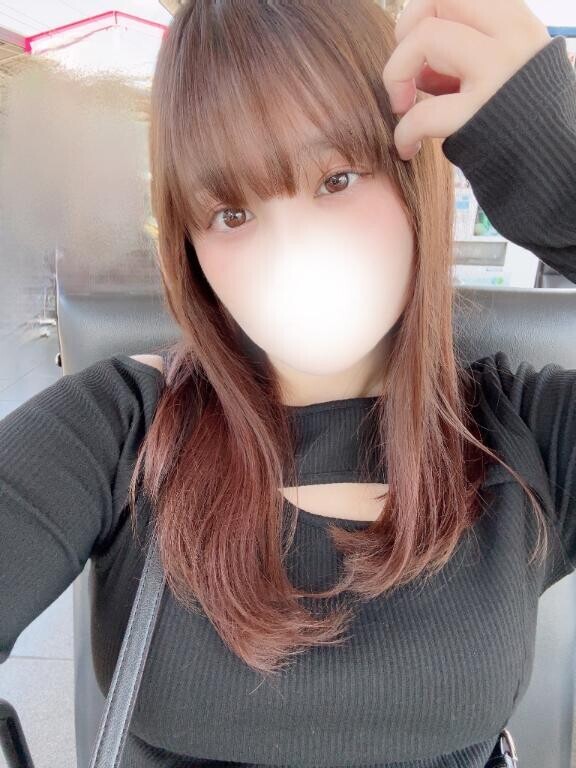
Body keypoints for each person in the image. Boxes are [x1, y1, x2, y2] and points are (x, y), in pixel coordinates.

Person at [1, 1, 575, 766]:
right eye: (232, 214)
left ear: (411, 175)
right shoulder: (118, 433)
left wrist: (558, 177)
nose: (292, 249)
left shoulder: (529, 435)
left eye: (336, 178)